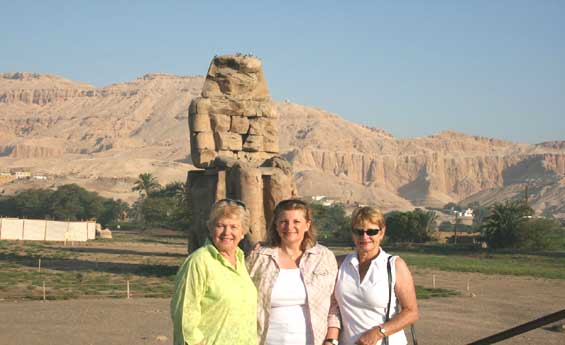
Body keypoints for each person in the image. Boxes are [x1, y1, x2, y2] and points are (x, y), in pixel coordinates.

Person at [246, 198, 339, 345]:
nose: (289, 227)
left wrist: (331, 340)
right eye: (283, 221)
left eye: (296, 222)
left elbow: (334, 304)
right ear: (276, 225)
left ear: (307, 225)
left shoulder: (323, 257)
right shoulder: (258, 257)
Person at [327, 206, 419, 345]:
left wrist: (378, 332)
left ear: (381, 233)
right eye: (359, 231)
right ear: (352, 234)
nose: (365, 237)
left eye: (372, 231)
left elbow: (411, 312)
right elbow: (333, 308)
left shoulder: (394, 265)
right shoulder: (339, 264)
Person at [170, 199, 257, 345]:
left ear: (243, 232)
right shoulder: (199, 262)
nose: (227, 232)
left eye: (234, 227)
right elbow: (184, 316)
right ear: (211, 229)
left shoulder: (241, 260)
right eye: (220, 226)